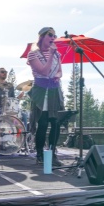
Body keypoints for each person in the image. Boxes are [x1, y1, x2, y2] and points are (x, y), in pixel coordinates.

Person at [27, 27, 64, 166]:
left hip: (54, 90)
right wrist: (51, 55)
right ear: (42, 37)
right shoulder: (33, 54)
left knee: (55, 123)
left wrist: (57, 76)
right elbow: (43, 70)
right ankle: (40, 154)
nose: (53, 37)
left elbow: (60, 71)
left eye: (55, 35)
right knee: (42, 123)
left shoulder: (57, 55)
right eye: (50, 35)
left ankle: (53, 153)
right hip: (41, 90)